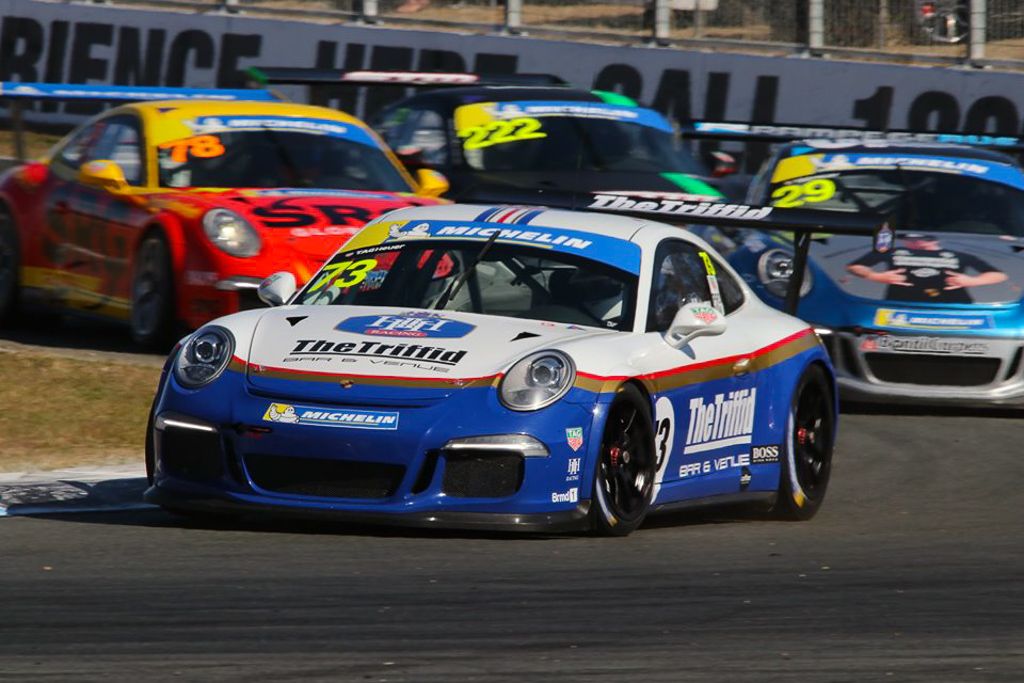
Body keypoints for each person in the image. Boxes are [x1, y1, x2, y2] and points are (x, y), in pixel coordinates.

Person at [847, 234, 1007, 304]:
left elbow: (998, 275)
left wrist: (972, 281)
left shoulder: (958, 255)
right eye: (911, 238)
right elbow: (855, 266)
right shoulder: (890, 252)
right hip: (900, 304)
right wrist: (876, 277)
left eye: (924, 238)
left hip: (954, 306)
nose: (918, 241)